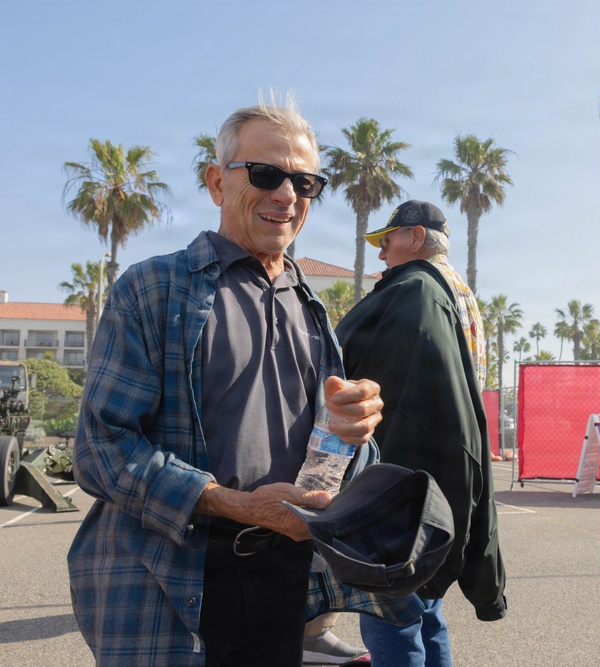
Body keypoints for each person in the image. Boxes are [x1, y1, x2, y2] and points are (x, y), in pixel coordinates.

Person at [68, 96, 404, 667]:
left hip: (284, 575)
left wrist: (356, 433)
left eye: (305, 182)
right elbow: (102, 448)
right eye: (267, 173)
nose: (287, 195)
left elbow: (334, 454)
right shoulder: (154, 289)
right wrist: (234, 505)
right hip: (168, 584)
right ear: (217, 183)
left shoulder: (312, 309)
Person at [334, 199, 506, 666]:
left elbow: (364, 372)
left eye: (387, 241)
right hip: (447, 476)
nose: (382, 254)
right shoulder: (458, 292)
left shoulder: (413, 291)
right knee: (426, 607)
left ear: (413, 237)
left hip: (409, 476)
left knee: (392, 611)